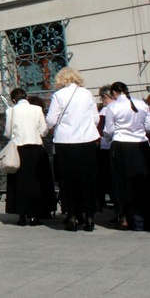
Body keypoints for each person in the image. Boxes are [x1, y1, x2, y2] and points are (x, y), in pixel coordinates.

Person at [45, 67, 100, 232]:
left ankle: (72, 216)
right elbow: (95, 118)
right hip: (87, 140)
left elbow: (51, 120)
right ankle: (89, 215)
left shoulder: (59, 95)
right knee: (87, 179)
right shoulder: (87, 94)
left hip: (66, 142)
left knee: (68, 180)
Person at [3, 89, 56, 226]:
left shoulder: (11, 111)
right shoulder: (37, 109)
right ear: (26, 97)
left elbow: (8, 132)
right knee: (36, 182)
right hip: (36, 149)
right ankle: (35, 215)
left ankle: (21, 215)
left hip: (19, 149)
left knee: (19, 183)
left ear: (13, 100)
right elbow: (44, 131)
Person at [104, 81, 150, 231]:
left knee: (121, 181)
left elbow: (109, 130)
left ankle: (124, 216)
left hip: (121, 145)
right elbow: (148, 126)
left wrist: (108, 138)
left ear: (114, 93)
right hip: (141, 144)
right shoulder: (142, 104)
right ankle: (143, 215)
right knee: (142, 180)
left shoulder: (112, 106)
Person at [96, 85, 116, 213]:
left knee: (108, 177)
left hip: (107, 146)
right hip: (116, 144)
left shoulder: (105, 111)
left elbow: (101, 130)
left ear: (105, 96)